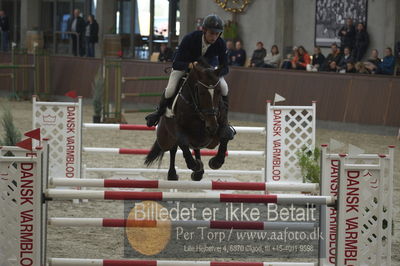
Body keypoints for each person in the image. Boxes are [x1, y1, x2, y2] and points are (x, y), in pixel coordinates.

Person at [145, 14, 235, 140]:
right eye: (211, 33)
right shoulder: (190, 38)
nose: (214, 36)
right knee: (171, 89)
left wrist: (214, 74)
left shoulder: (220, 43)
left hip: (208, 73)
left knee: (224, 88)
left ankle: (224, 123)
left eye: (217, 33)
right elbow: (176, 63)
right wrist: (190, 65)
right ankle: (158, 113)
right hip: (185, 67)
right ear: (204, 30)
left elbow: (225, 67)